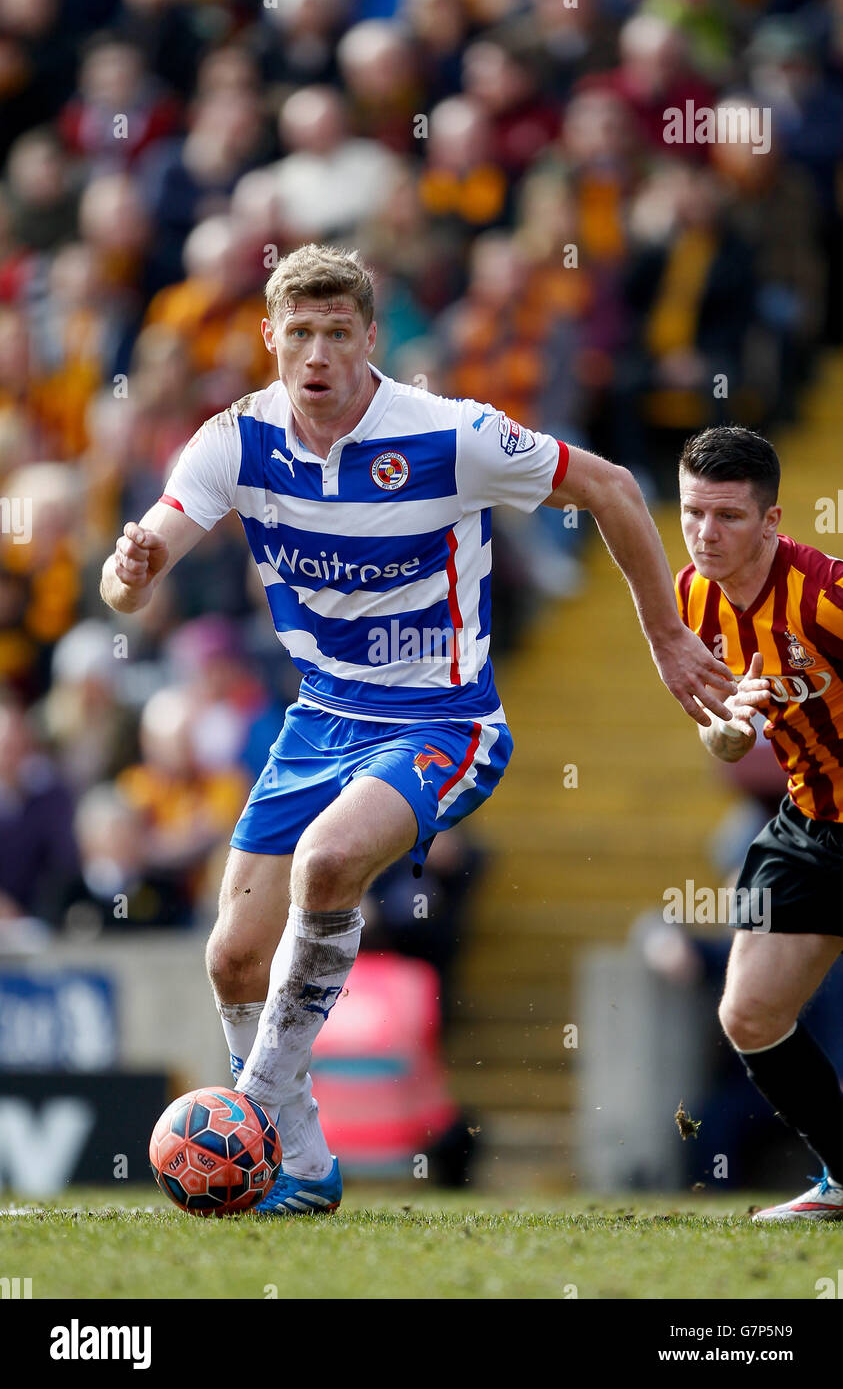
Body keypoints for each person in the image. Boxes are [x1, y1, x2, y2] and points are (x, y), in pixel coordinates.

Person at [100, 242, 734, 1215]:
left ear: (368, 341)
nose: (317, 354)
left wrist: (666, 637)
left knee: (326, 863)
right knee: (230, 954)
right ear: (270, 337)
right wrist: (130, 573)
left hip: (444, 719)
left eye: (338, 333)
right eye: (299, 333)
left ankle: (257, 1109)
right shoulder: (234, 440)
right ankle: (304, 1163)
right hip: (320, 720)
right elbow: (132, 574)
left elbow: (609, 485)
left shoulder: (450, 435)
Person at [675, 424, 843, 1221]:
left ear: (771, 523)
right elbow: (718, 725)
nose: (706, 534)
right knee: (748, 1012)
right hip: (812, 823)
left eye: (728, 517)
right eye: (692, 513)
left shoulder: (825, 597)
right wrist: (724, 734)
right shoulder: (687, 597)